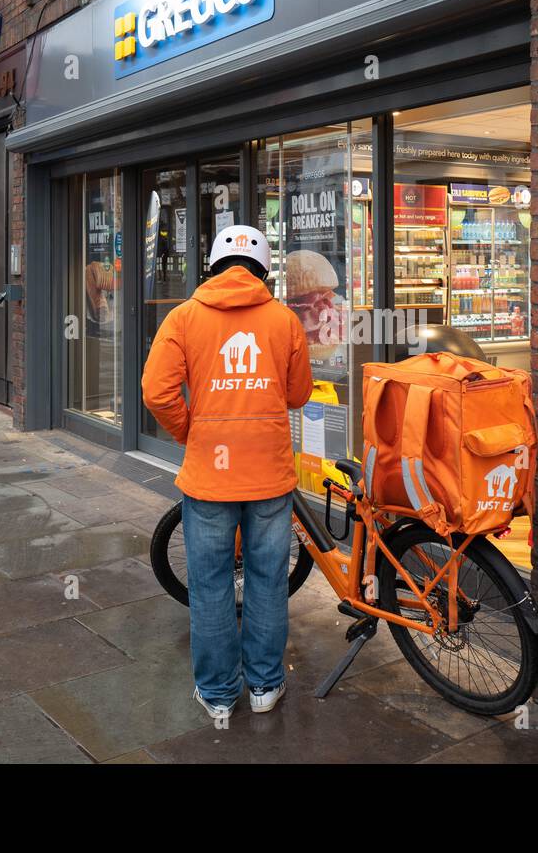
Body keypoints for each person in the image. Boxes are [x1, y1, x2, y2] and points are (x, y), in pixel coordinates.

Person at [142, 225, 312, 720]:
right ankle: (264, 687)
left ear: (213, 266)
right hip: (269, 474)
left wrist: (189, 431)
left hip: (209, 475)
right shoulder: (283, 321)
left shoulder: (183, 317)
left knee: (211, 582)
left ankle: (217, 696)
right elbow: (298, 394)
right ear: (262, 270)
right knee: (267, 579)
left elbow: (157, 392)